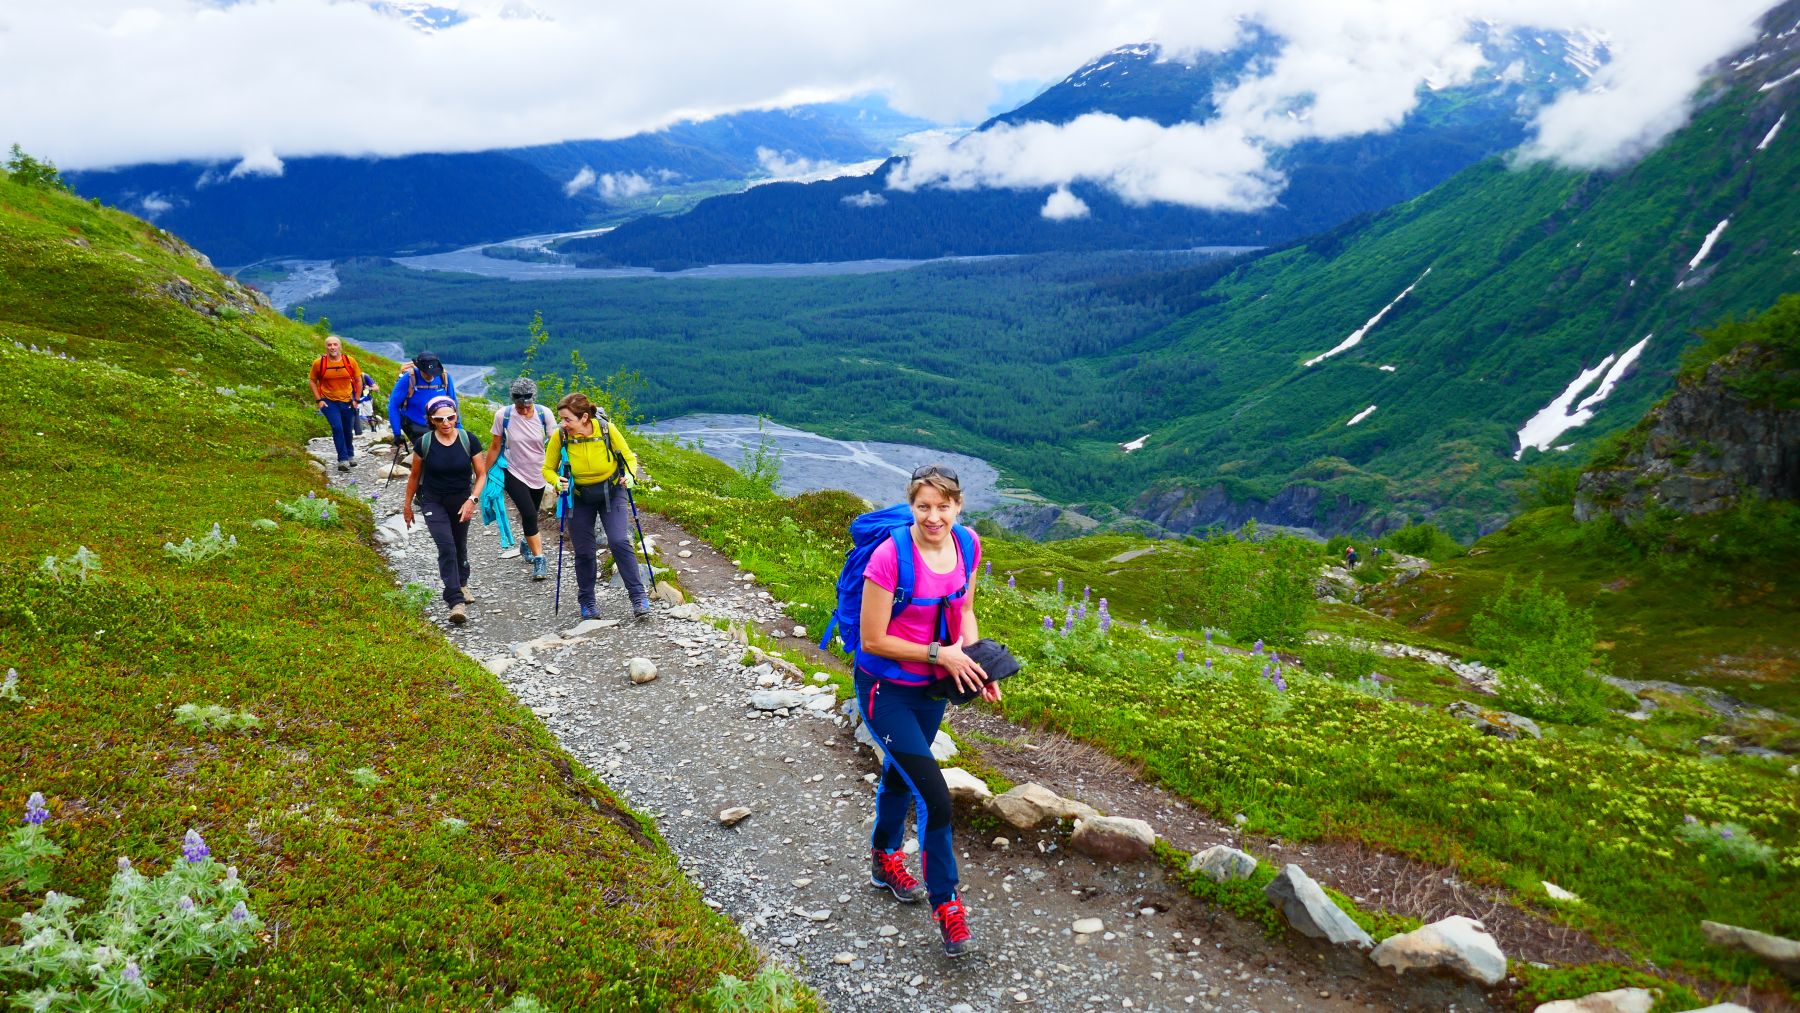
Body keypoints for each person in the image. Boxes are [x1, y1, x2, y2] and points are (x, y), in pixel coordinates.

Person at [855, 464, 992, 958]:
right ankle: (948, 906)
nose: (934, 516)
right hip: (884, 690)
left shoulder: (968, 545)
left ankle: (884, 859)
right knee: (937, 797)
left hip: (932, 690)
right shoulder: (890, 556)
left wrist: (974, 665)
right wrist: (941, 655)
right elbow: (873, 638)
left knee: (899, 772)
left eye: (944, 505)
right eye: (923, 506)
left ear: (959, 505)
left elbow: (965, 611)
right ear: (912, 505)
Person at [542, 393, 649, 621]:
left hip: (612, 491)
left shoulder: (607, 430)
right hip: (578, 496)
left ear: (583, 417)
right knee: (584, 551)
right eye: (561, 419)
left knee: (619, 540)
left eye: (567, 419)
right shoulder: (560, 436)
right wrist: (555, 481)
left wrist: (630, 477)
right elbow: (547, 468)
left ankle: (638, 597)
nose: (563, 424)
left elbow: (629, 457)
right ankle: (588, 602)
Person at [402, 396, 489, 625]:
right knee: (446, 546)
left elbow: (481, 474)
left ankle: (462, 583)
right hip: (433, 501)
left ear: (456, 416)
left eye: (450, 417)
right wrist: (407, 505)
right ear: (431, 419)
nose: (446, 422)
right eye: (440, 419)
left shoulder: (468, 439)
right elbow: (414, 476)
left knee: (459, 545)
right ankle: (455, 601)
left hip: (462, 500)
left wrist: (472, 500)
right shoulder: (424, 443)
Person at [483, 376, 553, 581]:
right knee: (530, 514)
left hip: (538, 472)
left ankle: (526, 542)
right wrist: (484, 473)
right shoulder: (503, 415)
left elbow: (555, 441)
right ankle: (540, 559)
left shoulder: (544, 413)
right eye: (520, 407)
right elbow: (495, 445)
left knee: (532, 511)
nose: (523, 411)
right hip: (513, 470)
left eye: (527, 407)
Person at [308, 335, 361, 471]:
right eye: (329, 345)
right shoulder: (319, 363)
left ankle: (350, 455)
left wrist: (356, 399)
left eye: (335, 344)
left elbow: (358, 380)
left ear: (340, 346)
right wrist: (319, 400)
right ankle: (342, 459)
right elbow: (313, 381)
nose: (332, 347)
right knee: (337, 428)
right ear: (325, 347)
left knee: (347, 429)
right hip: (328, 401)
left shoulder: (350, 361)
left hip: (348, 400)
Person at [387, 352, 458, 449]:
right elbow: (393, 405)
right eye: (426, 372)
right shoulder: (408, 378)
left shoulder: (444, 377)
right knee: (430, 450)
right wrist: (397, 433)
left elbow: (454, 403)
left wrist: (458, 426)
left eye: (433, 373)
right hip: (415, 424)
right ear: (419, 368)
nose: (430, 376)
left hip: (440, 423)